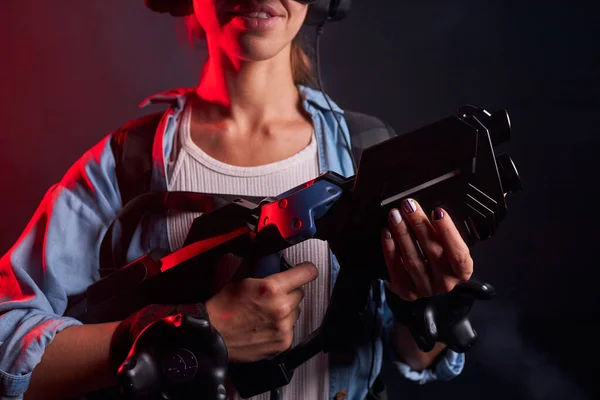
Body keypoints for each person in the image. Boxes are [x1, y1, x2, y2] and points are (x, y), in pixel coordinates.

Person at [0, 1, 472, 399]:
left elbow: (414, 353)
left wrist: (426, 307)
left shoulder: (365, 153)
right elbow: (7, 342)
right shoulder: (127, 167)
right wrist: (186, 333)